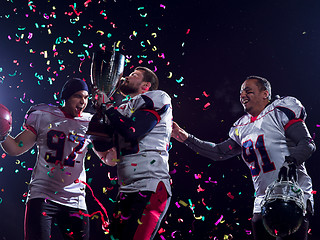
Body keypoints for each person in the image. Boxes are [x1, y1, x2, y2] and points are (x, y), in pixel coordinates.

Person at [171, 76, 316, 240]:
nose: (243, 95)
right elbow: (219, 152)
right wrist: (186, 138)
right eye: (241, 92)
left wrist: (291, 161)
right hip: (263, 200)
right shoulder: (242, 126)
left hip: (292, 194)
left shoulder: (279, 112)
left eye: (248, 91)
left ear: (265, 94)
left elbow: (307, 143)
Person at [0, 78, 93, 240]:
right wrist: (2, 135)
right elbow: (16, 147)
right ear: (66, 97)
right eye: (78, 96)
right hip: (43, 195)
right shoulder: (44, 115)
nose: (83, 102)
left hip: (75, 200)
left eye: (86, 97)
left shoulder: (90, 122)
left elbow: (108, 158)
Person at [92, 66, 172, 240]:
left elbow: (132, 130)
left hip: (150, 186)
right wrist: (99, 111)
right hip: (126, 189)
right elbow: (99, 143)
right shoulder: (120, 109)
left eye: (134, 75)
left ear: (146, 85)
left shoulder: (158, 96)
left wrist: (107, 106)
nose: (127, 77)